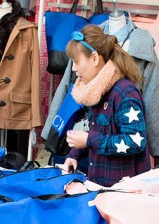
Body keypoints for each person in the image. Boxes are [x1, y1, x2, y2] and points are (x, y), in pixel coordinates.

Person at [63, 24, 150, 187]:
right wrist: (74, 154)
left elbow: (135, 142)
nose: (74, 68)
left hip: (123, 191)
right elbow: (99, 131)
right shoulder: (97, 90)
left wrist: (88, 139)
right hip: (100, 185)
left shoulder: (125, 93)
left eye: (76, 61)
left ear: (94, 58)